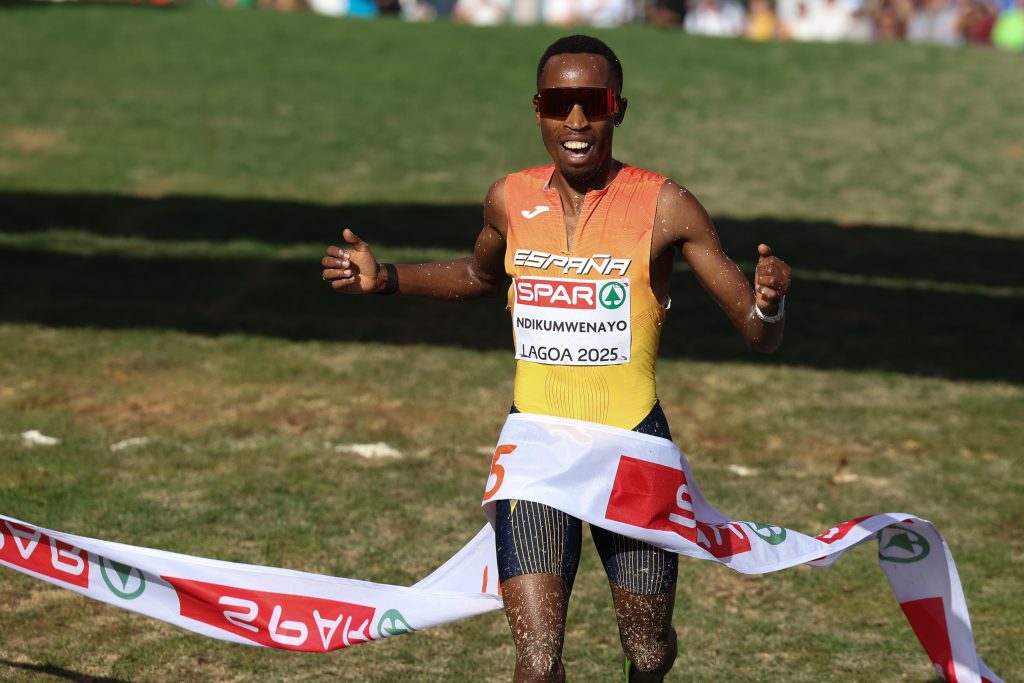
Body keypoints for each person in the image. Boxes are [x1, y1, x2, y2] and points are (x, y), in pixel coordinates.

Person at [321, 35, 792, 683]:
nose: (575, 121)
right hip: (536, 450)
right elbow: (481, 275)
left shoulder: (666, 206)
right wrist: (388, 279)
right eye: (558, 103)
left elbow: (758, 333)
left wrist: (769, 304)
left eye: (592, 103)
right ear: (537, 109)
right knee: (537, 661)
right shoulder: (508, 198)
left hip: (630, 450)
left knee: (647, 647)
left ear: (617, 109)